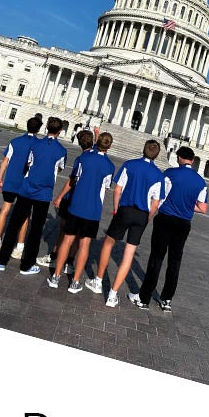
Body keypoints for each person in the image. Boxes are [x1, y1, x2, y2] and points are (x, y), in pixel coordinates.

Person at [84, 140, 165, 307]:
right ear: (157, 155)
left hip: (125, 209)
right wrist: (147, 218)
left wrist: (116, 208)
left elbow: (118, 189)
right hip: (142, 215)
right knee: (129, 254)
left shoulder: (130, 165)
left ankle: (98, 281)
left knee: (108, 243)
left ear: (143, 149)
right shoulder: (158, 175)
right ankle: (112, 295)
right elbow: (155, 204)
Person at [130, 146, 208, 311]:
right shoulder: (200, 181)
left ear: (179, 158)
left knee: (156, 258)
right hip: (183, 223)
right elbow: (203, 208)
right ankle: (166, 299)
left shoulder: (170, 173)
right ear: (192, 160)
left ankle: (144, 298)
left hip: (166, 219)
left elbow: (160, 196)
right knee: (175, 261)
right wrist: (188, 206)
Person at [0, 116, 67, 274]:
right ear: (60, 131)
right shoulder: (62, 151)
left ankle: (2, 260)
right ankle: (26, 265)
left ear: (46, 128)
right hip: (44, 193)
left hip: (26, 189)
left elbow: (29, 163)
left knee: (14, 224)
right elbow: (59, 168)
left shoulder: (36, 144)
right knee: (36, 229)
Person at [46, 132, 115, 292]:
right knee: (84, 244)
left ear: (97, 142)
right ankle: (75, 282)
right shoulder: (110, 166)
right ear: (110, 146)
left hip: (76, 205)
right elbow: (105, 188)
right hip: (93, 210)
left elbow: (74, 178)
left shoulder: (84, 158)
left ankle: (56, 276)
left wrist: (60, 196)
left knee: (67, 240)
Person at [37, 129, 95, 272]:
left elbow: (72, 181)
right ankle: (69, 261)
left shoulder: (81, 159)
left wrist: (60, 196)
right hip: (88, 202)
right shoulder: (96, 156)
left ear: (79, 143)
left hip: (73, 198)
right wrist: (97, 133)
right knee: (78, 234)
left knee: (64, 230)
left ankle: (54, 255)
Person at [0, 117, 42, 258]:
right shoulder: (39, 145)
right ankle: (19, 247)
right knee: (25, 215)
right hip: (26, 184)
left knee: (5, 209)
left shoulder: (15, 141)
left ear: (27, 126)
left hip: (11, 181)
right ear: (39, 129)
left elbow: (5, 162)